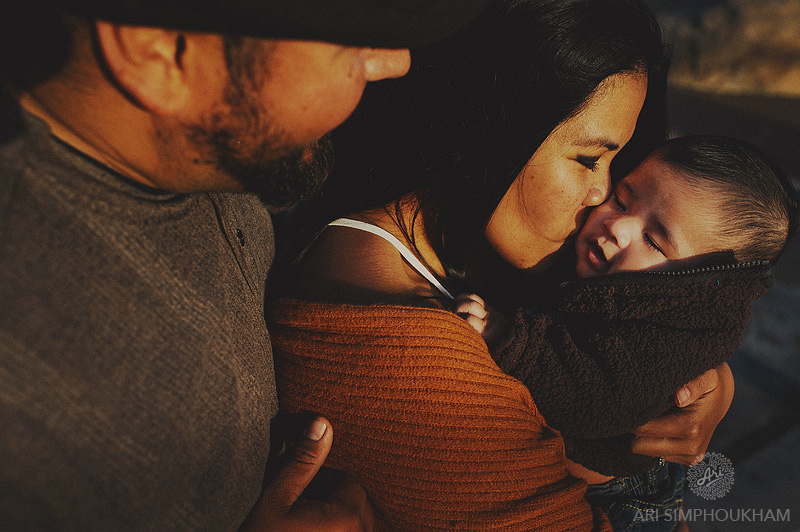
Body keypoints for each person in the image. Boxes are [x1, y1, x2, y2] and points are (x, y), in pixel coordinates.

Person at [0, 0, 492, 529]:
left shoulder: (210, 153)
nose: (395, 63)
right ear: (160, 48)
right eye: (350, 42)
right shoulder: (28, 404)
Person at [268, 1, 738, 530]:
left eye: (617, 162)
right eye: (587, 159)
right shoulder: (425, 374)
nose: (602, 193)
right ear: (486, 125)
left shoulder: (448, 249)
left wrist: (698, 377)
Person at [454, 134, 799, 531]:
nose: (617, 226)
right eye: (622, 199)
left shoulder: (672, 330)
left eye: (653, 240)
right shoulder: (616, 278)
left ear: (698, 282)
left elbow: (592, 394)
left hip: (619, 505)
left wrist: (504, 335)